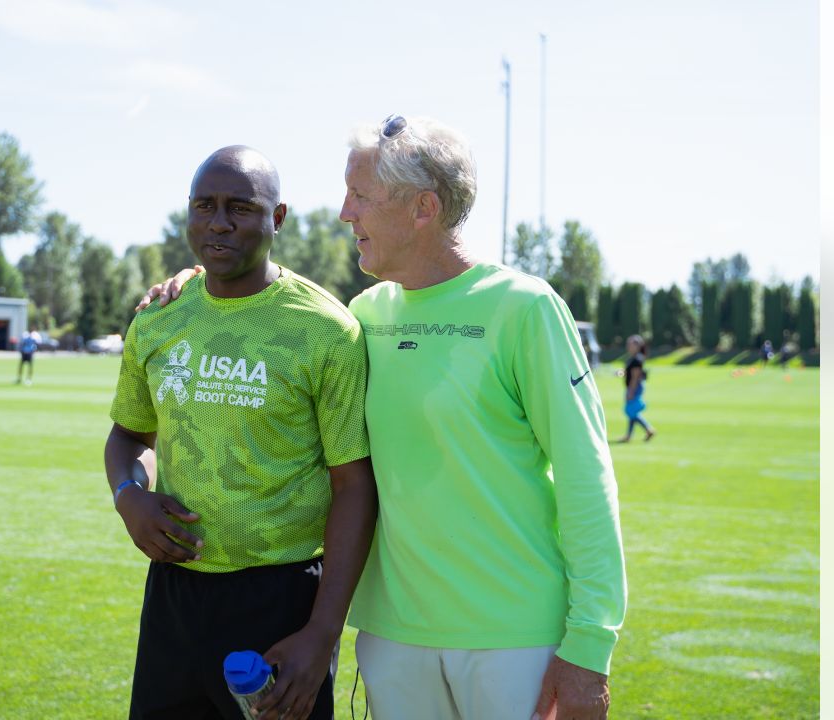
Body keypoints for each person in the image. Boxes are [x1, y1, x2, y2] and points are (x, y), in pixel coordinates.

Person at [140, 116, 626, 720]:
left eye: (360, 196)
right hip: (393, 638)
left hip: (513, 635)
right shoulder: (364, 315)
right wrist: (194, 282)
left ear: (423, 208)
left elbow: (587, 478)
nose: (345, 213)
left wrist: (589, 646)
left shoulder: (524, 308)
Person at [105, 146, 377, 720]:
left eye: (241, 207)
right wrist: (130, 498)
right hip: (174, 595)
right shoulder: (157, 318)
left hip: (282, 598)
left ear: (276, 218)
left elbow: (355, 487)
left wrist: (323, 633)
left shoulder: (327, 331)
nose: (219, 222)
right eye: (205, 206)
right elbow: (128, 436)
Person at [617, 334, 655, 443]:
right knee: (631, 412)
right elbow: (627, 372)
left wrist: (631, 392)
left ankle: (648, 429)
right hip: (633, 386)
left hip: (635, 387)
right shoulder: (633, 358)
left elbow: (635, 377)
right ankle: (629, 436)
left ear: (637, 346)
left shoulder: (637, 359)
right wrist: (620, 373)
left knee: (631, 411)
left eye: (631, 344)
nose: (628, 346)